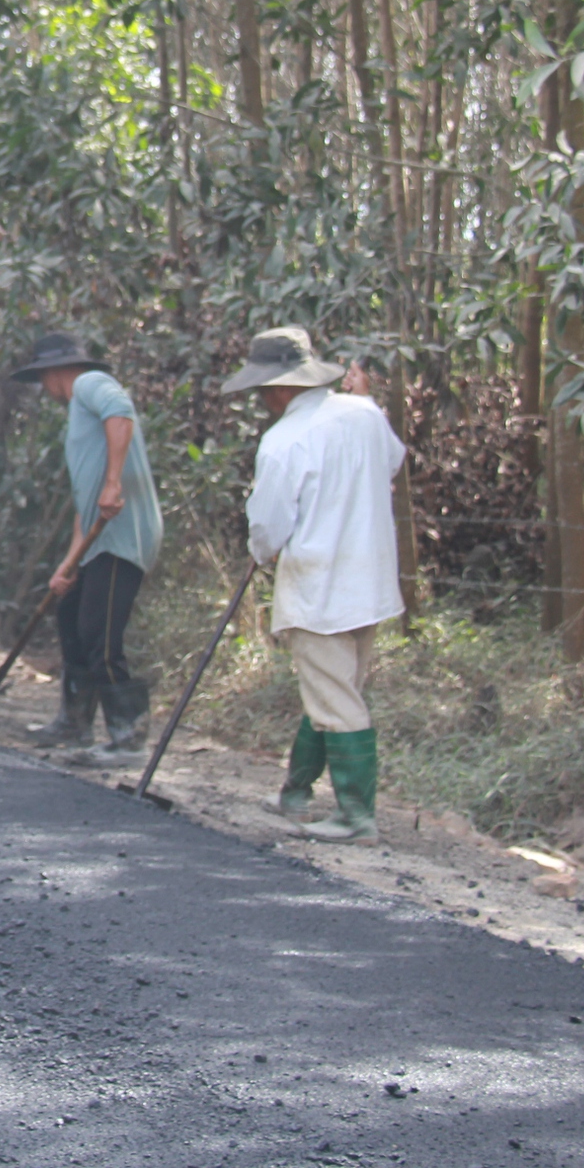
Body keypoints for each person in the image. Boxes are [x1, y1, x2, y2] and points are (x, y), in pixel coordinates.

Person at [222, 325, 408, 844]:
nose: (261, 399)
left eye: (261, 389)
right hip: (368, 581)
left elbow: (269, 526)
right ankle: (296, 794)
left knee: (336, 701)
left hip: (319, 587)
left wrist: (261, 554)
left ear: (280, 386)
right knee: (334, 691)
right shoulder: (364, 413)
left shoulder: (284, 440)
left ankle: (355, 816)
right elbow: (394, 461)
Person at [9, 332, 163, 764]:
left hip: (122, 537)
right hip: (97, 538)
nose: (45, 390)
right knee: (70, 613)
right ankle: (75, 722)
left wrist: (115, 482)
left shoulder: (90, 385)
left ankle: (128, 737)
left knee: (100, 632)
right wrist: (68, 564)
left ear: (55, 372)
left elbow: (122, 413)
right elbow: (86, 501)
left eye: (43, 379)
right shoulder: (78, 410)